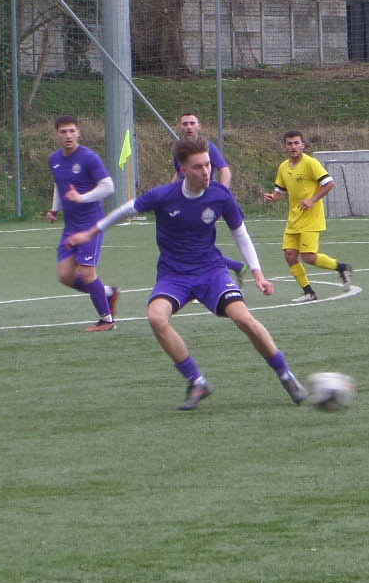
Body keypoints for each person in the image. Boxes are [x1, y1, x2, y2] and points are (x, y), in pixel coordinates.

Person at [67, 136, 304, 410]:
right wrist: (90, 233)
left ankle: (286, 375)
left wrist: (258, 273)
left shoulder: (220, 195)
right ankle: (197, 381)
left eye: (208, 165)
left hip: (211, 271)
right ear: (183, 170)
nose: (206, 172)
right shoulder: (163, 196)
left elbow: (240, 234)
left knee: (244, 318)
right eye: (198, 167)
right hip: (174, 275)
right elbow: (123, 211)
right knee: (156, 318)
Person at [45, 116, 120, 330]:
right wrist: (55, 208)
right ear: (56, 135)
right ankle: (108, 293)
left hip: (91, 223)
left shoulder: (89, 158)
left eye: (71, 131)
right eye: (63, 131)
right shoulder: (54, 159)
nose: (68, 135)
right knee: (65, 275)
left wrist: (82, 197)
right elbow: (60, 185)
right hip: (71, 226)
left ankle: (107, 320)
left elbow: (108, 186)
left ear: (78, 133)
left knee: (87, 273)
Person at [262, 129, 352, 300]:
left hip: (311, 218)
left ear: (303, 145)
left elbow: (329, 183)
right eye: (289, 143)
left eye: (296, 143)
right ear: (285, 146)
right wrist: (273, 197)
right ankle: (308, 292)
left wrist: (312, 200)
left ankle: (341, 267)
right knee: (290, 255)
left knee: (308, 257)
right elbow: (280, 191)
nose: (293, 146)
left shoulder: (311, 163)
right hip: (294, 218)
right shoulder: (283, 167)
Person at [177, 112, 246, 276]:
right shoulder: (179, 150)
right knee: (190, 245)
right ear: (180, 127)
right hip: (185, 203)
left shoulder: (208, 148)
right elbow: (178, 174)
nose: (188, 127)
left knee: (193, 245)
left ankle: (218, 275)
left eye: (192, 123)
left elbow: (225, 171)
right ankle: (235, 267)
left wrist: (221, 198)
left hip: (203, 204)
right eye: (185, 124)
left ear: (199, 126)